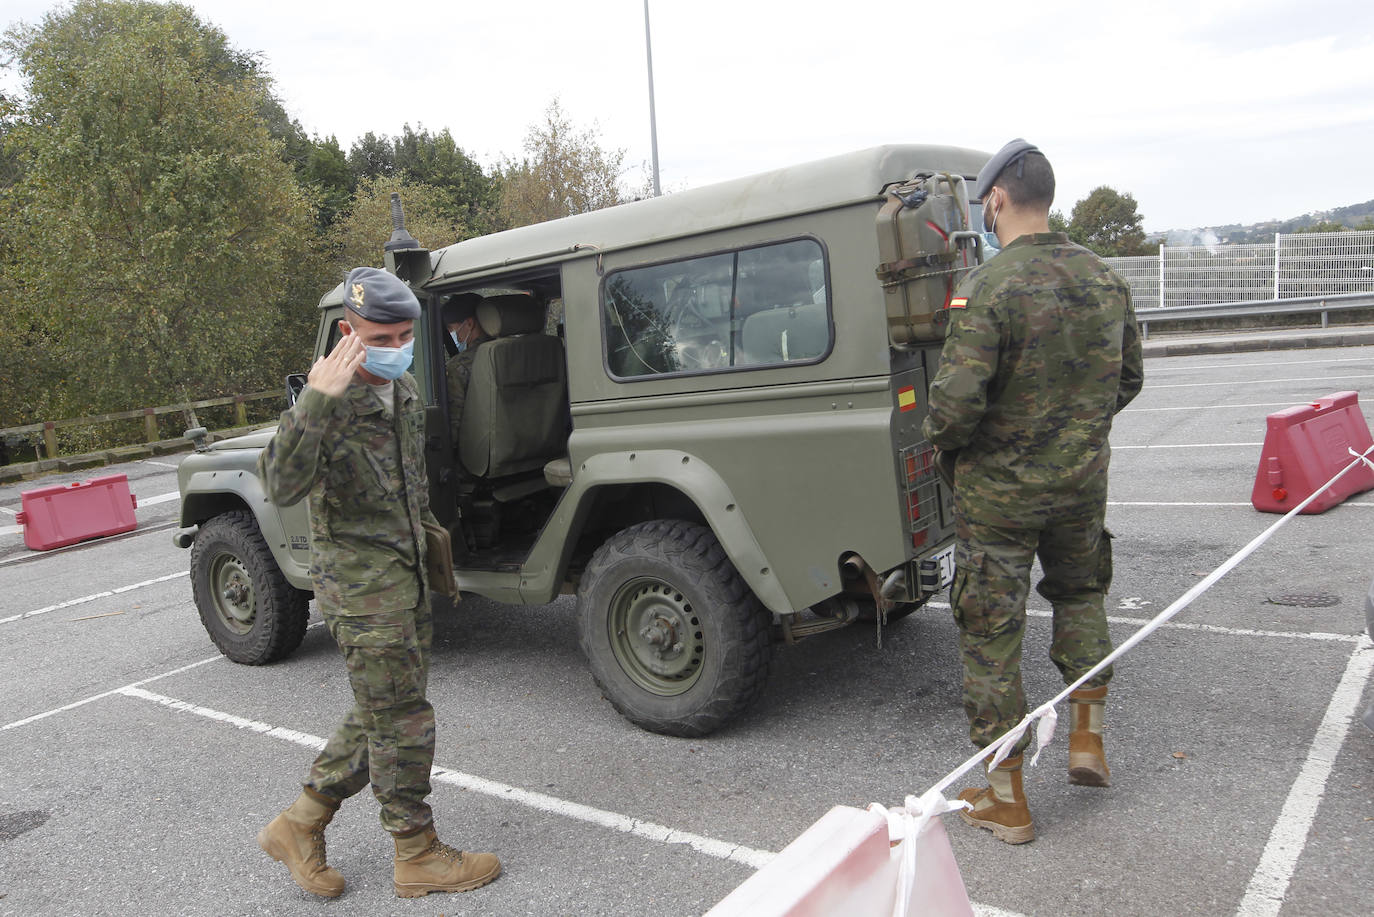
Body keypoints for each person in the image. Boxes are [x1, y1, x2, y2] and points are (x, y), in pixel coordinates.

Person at [923, 139, 1144, 844]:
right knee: (1080, 595)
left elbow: (954, 410)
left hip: (1000, 498)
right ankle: (1087, 739)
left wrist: (950, 445)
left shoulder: (990, 288)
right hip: (1080, 486)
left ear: (995, 200)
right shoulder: (1105, 279)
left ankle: (1007, 798)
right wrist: (1074, 432)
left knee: (991, 635)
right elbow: (1129, 378)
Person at [254, 267, 501, 897]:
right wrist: (314, 397)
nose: (396, 349)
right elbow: (280, 486)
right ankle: (415, 853)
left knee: (385, 712)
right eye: (381, 338)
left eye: (405, 336)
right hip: (362, 591)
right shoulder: (324, 403)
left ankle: (299, 824)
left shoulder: (405, 388)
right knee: (403, 719)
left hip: (406, 575)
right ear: (347, 333)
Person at [442, 292, 491, 447]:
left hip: (480, 459)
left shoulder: (458, 367)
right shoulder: (517, 352)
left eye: (451, 328)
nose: (451, 334)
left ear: (469, 324)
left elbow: (454, 428)